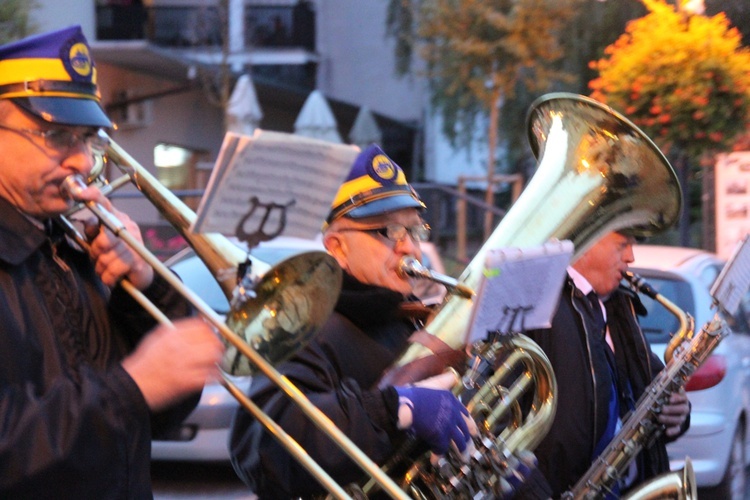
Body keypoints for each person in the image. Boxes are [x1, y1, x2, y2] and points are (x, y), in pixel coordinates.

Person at [0, 26, 224, 497]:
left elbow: (161, 416)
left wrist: (145, 291)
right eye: (57, 134)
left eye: (87, 138)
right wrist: (132, 384)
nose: (83, 161)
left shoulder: (70, 246)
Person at [229, 144, 478, 499]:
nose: (410, 248)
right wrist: (394, 409)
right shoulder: (303, 326)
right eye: (390, 231)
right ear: (338, 247)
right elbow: (265, 445)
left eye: (414, 231)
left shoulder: (413, 318)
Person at [518, 231, 691, 498]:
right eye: (622, 245)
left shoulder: (618, 304)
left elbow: (647, 397)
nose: (631, 257)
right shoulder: (539, 304)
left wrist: (678, 415)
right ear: (587, 242)